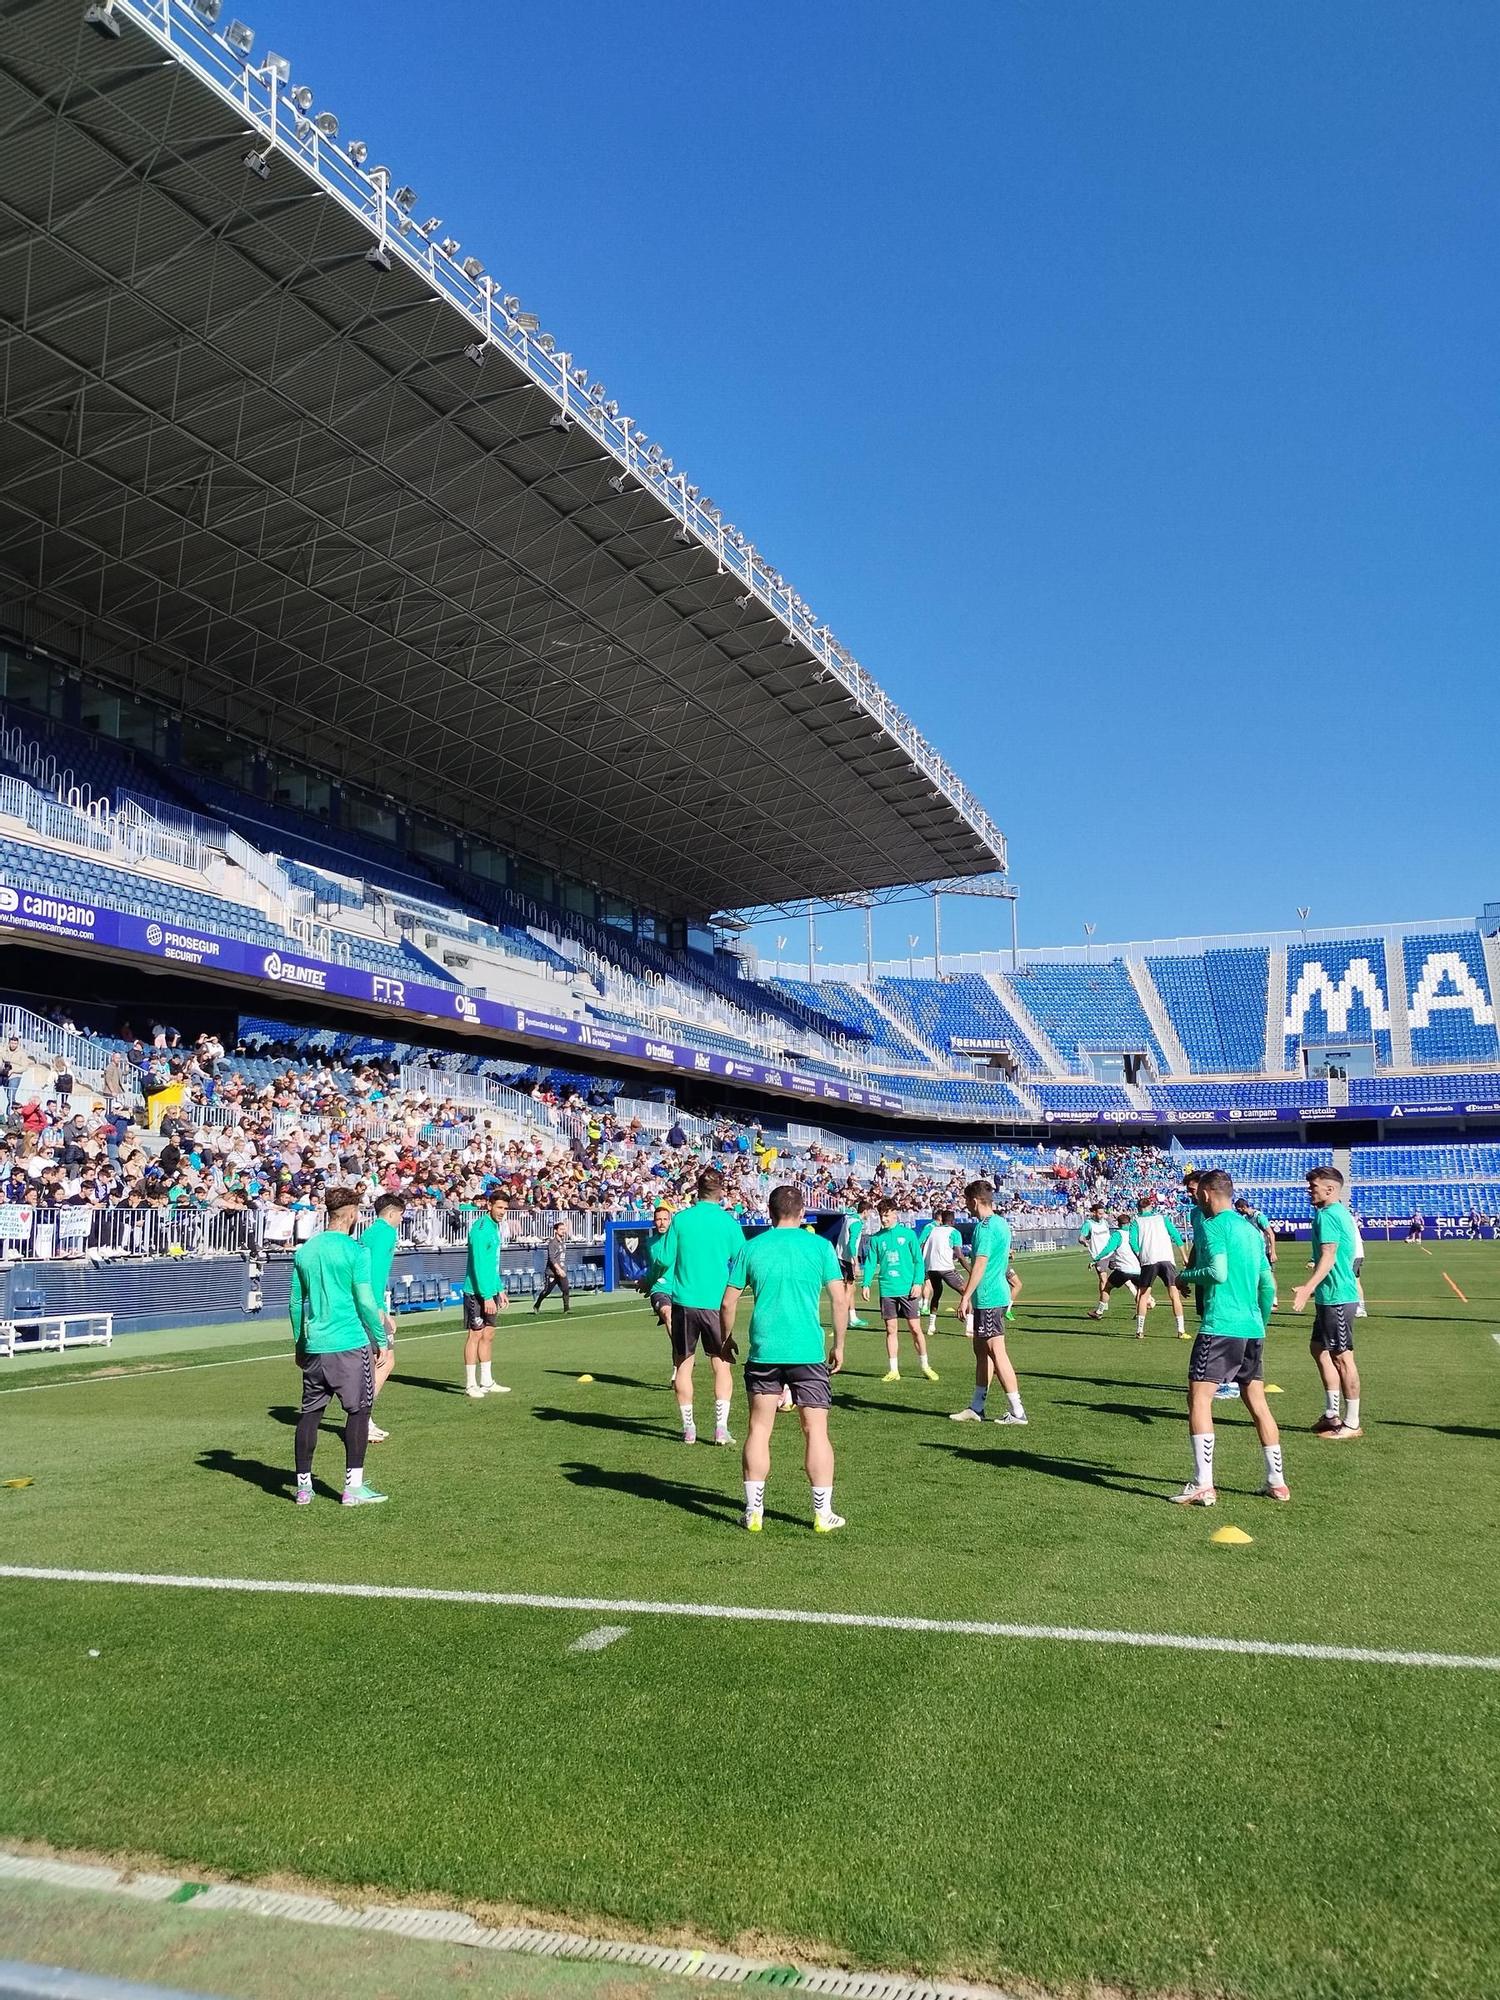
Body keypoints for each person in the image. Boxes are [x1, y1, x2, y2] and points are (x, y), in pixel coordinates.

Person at [722, 1183, 849, 1534]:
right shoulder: (821, 1247)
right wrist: (839, 1344)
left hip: (764, 1350)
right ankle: (823, 1514)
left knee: (759, 1429)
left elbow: (727, 1302)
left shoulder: (752, 1247)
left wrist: (725, 1338)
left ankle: (753, 1511)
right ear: (802, 1213)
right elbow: (840, 1299)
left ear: (769, 1212)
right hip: (807, 1350)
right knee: (816, 1432)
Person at [1169, 1169, 1287, 1506]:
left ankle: (1203, 1484)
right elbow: (1267, 1285)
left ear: (1206, 1193)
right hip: (1252, 1328)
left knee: (1199, 1399)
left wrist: (1185, 1276)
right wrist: (1259, 1323)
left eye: (1195, 1194)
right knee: (1258, 1404)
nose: (1192, 1198)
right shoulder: (1252, 1231)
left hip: (1221, 1326)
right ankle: (1277, 1482)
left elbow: (1217, 1272)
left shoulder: (1215, 1225)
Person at [288, 1186, 390, 1507]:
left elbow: (294, 1303)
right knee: (359, 1412)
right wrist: (381, 1337)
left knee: (310, 1415)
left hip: (315, 1344)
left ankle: (303, 1487)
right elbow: (364, 1299)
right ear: (349, 1214)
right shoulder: (356, 1251)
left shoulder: (305, 1251)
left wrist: (299, 1342)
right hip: (348, 1343)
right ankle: (353, 1488)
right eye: (357, 1212)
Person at [663, 1167, 747, 1446]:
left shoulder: (681, 1219)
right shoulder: (728, 1223)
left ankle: (689, 1428)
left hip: (685, 1303)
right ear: (721, 1192)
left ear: (696, 1190)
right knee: (721, 1364)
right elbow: (742, 1260)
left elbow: (664, 1257)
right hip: (715, 1304)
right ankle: (720, 1429)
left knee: (683, 1365)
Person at [1292, 1166, 1363, 1440]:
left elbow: (1330, 1255)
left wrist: (1307, 1288)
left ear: (1330, 1189)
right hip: (1329, 1297)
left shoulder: (1329, 1215)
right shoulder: (1329, 1213)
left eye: (1313, 1187)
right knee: (1318, 1348)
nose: (1309, 1190)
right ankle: (1332, 1413)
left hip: (1337, 1297)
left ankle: (1352, 1423)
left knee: (1342, 1358)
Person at [949, 1180, 1028, 1424]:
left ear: (974, 1201)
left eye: (966, 1202)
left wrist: (964, 1297)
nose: (966, 1207)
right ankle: (977, 1406)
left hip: (989, 1297)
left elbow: (980, 1263)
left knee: (996, 1350)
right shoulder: (1001, 1223)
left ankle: (1017, 1411)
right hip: (992, 1296)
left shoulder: (984, 1228)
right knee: (981, 1349)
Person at [861, 1198, 938, 1383]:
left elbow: (918, 1261)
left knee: (915, 1328)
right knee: (891, 1329)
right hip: (887, 1289)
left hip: (908, 1288)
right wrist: (865, 1283)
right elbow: (871, 1263)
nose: (883, 1219)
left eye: (886, 1215)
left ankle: (925, 1365)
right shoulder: (876, 1238)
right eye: (881, 1216)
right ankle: (893, 1369)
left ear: (895, 1214)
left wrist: (918, 1282)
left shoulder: (908, 1235)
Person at [361, 1191, 403, 1443]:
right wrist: (380, 1309)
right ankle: (362, 1418)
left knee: (375, 1360)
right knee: (385, 1360)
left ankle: (363, 1417)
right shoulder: (387, 1233)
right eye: (400, 1215)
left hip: (364, 1300)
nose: (400, 1220)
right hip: (373, 1303)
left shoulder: (368, 1233)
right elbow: (375, 1273)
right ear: (391, 1213)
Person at [461, 1191, 511, 1399]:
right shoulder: (481, 1229)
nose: (502, 1212)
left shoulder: (494, 1228)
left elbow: (493, 1266)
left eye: (505, 1209)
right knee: (476, 1334)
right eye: (499, 1207)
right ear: (489, 1205)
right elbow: (479, 1265)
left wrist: (500, 1289)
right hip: (477, 1291)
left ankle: (487, 1381)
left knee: (489, 1334)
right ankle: (470, 1384)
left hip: (491, 1289)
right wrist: (487, 1295)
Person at [1129, 1194, 1187, 1339]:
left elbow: (1132, 1242)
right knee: (1174, 1295)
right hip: (1166, 1258)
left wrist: (1139, 1255)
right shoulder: (1162, 1218)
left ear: (1139, 1208)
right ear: (1151, 1206)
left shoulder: (1136, 1221)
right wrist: (1184, 1256)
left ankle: (1139, 1330)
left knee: (1143, 1295)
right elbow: (1176, 1236)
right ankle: (1181, 1330)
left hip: (1149, 1260)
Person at [1091, 1211, 1146, 1329]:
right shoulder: (1135, 1234)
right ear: (1129, 1223)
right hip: (1138, 1270)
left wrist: (1096, 1259)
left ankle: (1099, 1312)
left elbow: (1108, 1249)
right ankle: (1139, 1313)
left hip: (1123, 1270)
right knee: (1140, 1292)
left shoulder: (1117, 1235)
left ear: (1118, 1224)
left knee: (1107, 1288)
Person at [919, 1205, 964, 1336]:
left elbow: (921, 1244)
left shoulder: (933, 1230)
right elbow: (960, 1255)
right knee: (967, 1292)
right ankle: (970, 1327)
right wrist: (971, 1270)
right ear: (953, 1221)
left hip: (931, 1268)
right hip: (946, 1268)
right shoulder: (954, 1232)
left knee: (937, 1293)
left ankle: (931, 1326)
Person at [641, 1203, 675, 1356]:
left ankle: (680, 1362)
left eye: (665, 1219)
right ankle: (680, 1352)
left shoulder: (679, 1241)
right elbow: (654, 1267)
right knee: (668, 1314)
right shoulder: (650, 1243)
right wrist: (648, 1282)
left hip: (680, 1288)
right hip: (660, 1288)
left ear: (670, 1221)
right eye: (658, 1219)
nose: (661, 1222)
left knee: (684, 1327)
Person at [1234, 1196, 1280, 1308]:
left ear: (1242, 1207)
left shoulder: (1259, 1217)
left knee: (1269, 1275)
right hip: (1254, 1251)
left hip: (1265, 1251)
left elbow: (1271, 1234)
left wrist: (1273, 1251)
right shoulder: (1245, 1218)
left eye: (1238, 1209)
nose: (1237, 1211)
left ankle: (1273, 1300)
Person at [1080, 1201, 1114, 1318]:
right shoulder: (1088, 1224)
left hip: (1111, 1253)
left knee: (1126, 1275)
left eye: (1102, 1213)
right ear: (1094, 1213)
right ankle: (1103, 1303)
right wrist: (1084, 1241)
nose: (1102, 1215)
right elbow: (1081, 1237)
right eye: (1099, 1213)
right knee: (1103, 1279)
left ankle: (1143, 1298)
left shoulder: (1104, 1222)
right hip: (1098, 1256)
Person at [533, 1221, 571, 1315]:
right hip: (552, 1272)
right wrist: (558, 1269)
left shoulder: (563, 1242)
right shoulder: (552, 1243)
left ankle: (566, 1309)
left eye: (564, 1229)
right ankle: (537, 1305)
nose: (563, 1231)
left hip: (562, 1271)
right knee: (547, 1291)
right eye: (561, 1229)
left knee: (566, 1289)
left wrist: (562, 1269)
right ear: (555, 1231)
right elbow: (551, 1258)